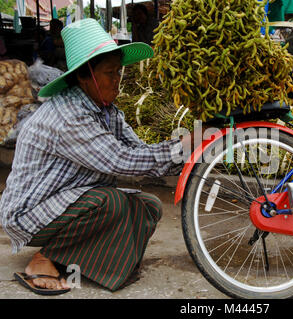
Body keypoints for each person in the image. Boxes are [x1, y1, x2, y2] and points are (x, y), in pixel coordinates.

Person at [0, 18, 191, 295]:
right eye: (110, 72)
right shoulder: (68, 116)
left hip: (68, 199)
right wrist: (181, 146)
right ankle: (43, 260)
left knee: (147, 206)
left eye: (119, 72)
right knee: (110, 202)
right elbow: (123, 161)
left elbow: (137, 151)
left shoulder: (106, 110)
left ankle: (89, 263)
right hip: (29, 213)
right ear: (83, 75)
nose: (117, 79)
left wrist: (188, 151)